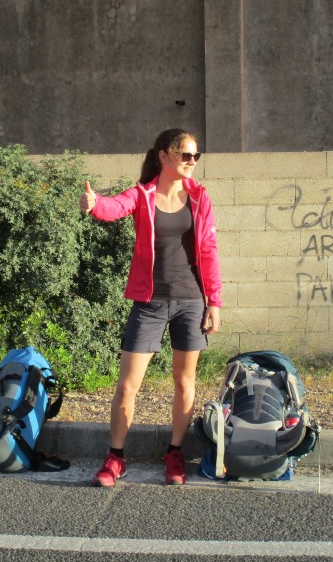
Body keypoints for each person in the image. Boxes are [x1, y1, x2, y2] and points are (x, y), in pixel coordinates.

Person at [79, 128, 222, 486]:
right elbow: (116, 206)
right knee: (128, 385)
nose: (192, 161)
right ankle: (115, 458)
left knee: (184, 382)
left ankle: (174, 454)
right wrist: (95, 204)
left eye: (195, 155)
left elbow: (208, 250)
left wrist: (214, 301)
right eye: (185, 154)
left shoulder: (199, 198)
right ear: (164, 155)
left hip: (191, 301)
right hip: (149, 302)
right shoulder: (142, 195)